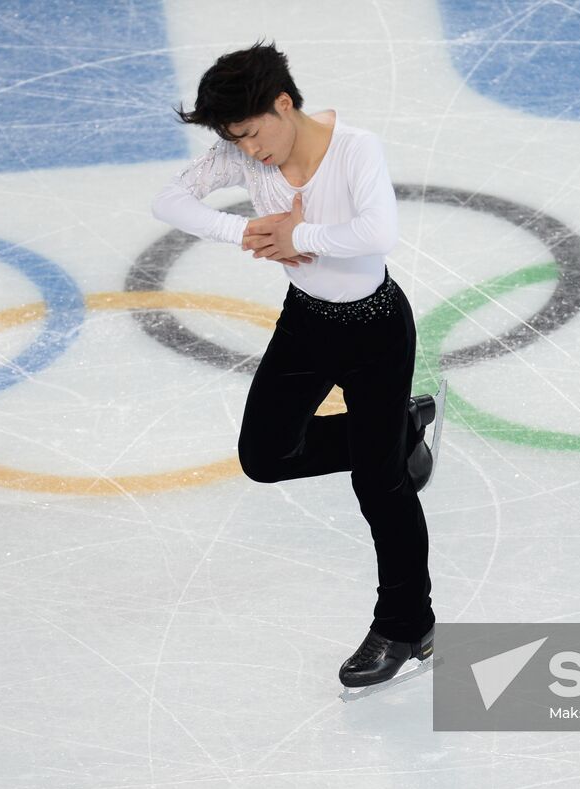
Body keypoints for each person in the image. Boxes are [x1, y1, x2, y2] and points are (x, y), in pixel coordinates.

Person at [150, 42, 437, 688]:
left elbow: (377, 232)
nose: (248, 151)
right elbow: (170, 201)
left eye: (252, 134)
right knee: (265, 455)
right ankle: (399, 431)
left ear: (283, 104)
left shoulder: (355, 148)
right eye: (236, 140)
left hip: (376, 329)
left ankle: (406, 625)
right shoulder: (242, 153)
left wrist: (296, 236)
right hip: (307, 323)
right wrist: (243, 233)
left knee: (379, 485)